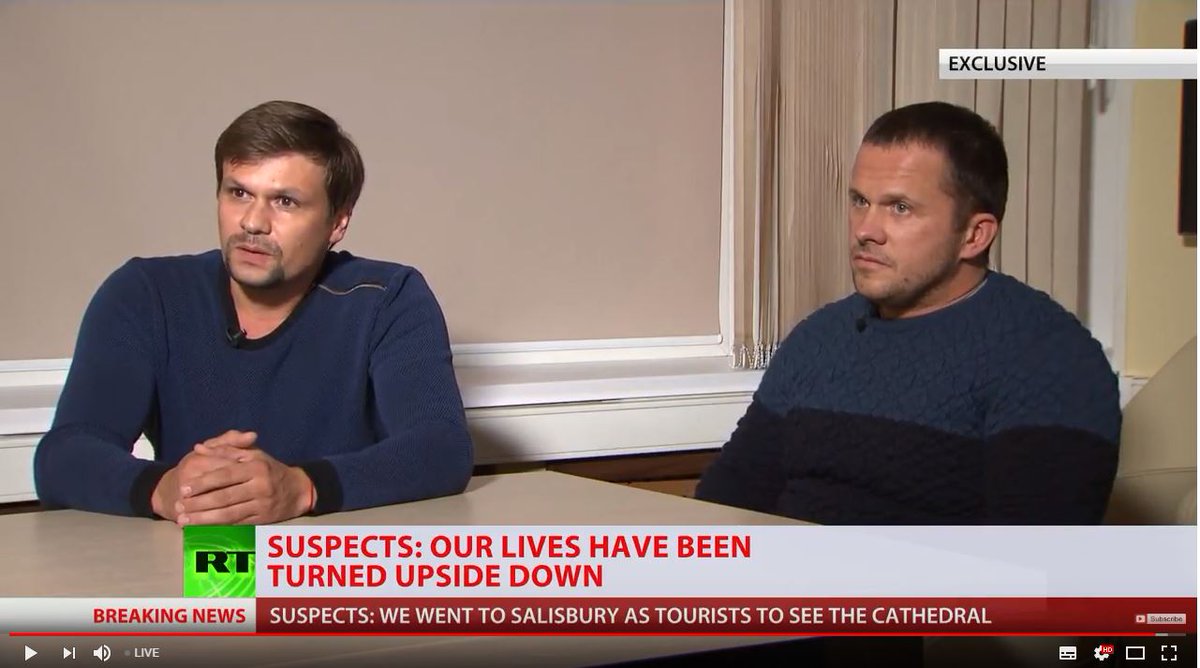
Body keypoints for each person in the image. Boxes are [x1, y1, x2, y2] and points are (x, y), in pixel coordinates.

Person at [34, 101, 473, 524]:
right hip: (199, 552)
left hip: (332, 556)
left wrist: (301, 488)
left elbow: (441, 447)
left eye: (285, 202)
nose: (252, 222)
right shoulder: (146, 294)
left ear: (337, 222)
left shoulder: (387, 298)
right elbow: (64, 455)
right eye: (239, 193)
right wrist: (164, 489)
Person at [696, 101, 1120, 524]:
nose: (865, 230)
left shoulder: (1049, 358)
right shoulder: (818, 339)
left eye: (899, 208)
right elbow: (724, 502)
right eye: (860, 201)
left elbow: (1029, 557)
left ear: (974, 235)